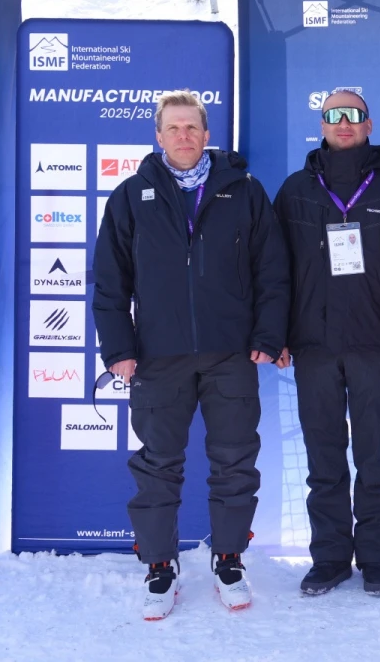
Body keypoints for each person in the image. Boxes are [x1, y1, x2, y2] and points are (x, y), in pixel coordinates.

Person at [93, 89, 289, 620]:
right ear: (158, 136)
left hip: (231, 354)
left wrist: (268, 336)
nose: (183, 136)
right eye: (173, 128)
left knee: (235, 461)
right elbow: (110, 281)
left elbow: (273, 271)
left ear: (206, 134)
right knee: (158, 463)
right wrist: (119, 348)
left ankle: (229, 560)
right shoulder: (130, 196)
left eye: (192, 127)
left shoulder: (243, 191)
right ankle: (160, 566)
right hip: (157, 357)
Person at [273, 88, 380, 597]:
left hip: (374, 342)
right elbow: (272, 271)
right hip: (313, 345)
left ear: (369, 124)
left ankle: (377, 560)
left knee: (374, 456)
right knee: (323, 458)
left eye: (354, 114)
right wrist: (274, 336)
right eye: (334, 115)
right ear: (322, 125)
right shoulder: (295, 190)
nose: (344, 122)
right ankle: (329, 558)